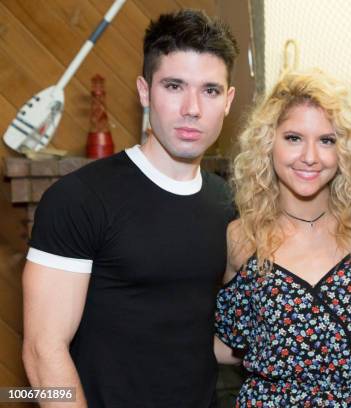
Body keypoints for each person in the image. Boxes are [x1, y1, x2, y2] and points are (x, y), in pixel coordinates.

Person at [22, 10, 237, 407]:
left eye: (210, 90)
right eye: (174, 86)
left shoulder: (226, 203)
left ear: (228, 101)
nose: (192, 108)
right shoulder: (79, 198)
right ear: (144, 91)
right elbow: (42, 349)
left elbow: (199, 334)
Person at [214, 69, 351, 406]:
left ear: (346, 150)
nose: (310, 157)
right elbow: (225, 346)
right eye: (293, 138)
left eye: (327, 140)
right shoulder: (242, 237)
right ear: (268, 143)